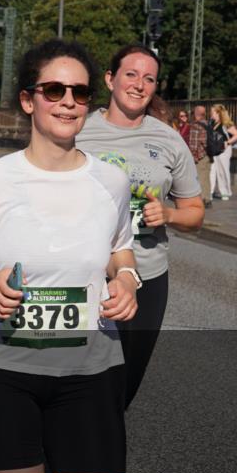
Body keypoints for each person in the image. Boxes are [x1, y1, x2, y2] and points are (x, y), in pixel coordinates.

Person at [0, 39, 138, 473]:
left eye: (80, 92)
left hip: (91, 373)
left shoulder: (112, 181)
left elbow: (121, 248)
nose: (68, 102)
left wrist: (127, 278)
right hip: (2, 375)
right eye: (54, 90)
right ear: (29, 100)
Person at [76, 44, 204, 410]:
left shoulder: (168, 139)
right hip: (82, 273)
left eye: (148, 78)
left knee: (124, 382)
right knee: (75, 378)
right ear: (110, 79)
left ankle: (99, 435)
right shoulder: (78, 129)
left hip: (146, 276)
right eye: (130, 74)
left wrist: (169, 215)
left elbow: (195, 211)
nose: (138, 84)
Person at [209, 104, 237, 201]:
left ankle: (225, 192)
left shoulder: (226, 124)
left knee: (223, 171)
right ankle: (210, 191)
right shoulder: (212, 123)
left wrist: (228, 142)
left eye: (212, 112)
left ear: (218, 113)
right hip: (214, 150)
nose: (211, 114)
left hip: (224, 151)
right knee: (211, 171)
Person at [189, 105, 213, 208]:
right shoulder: (207, 124)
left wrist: (193, 157)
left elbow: (193, 144)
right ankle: (208, 199)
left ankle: (203, 199)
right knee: (206, 178)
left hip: (200, 156)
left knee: (200, 178)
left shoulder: (195, 125)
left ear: (196, 113)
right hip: (208, 155)